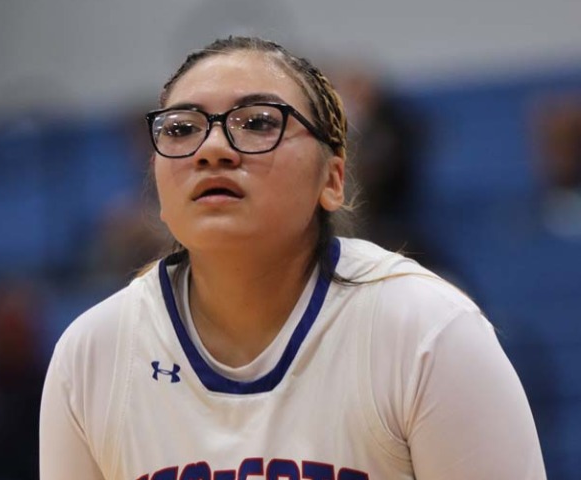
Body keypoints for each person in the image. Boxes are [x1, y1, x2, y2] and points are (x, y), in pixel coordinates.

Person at [40, 36, 547, 480]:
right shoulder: (92, 355)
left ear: (332, 179)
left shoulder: (427, 330)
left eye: (258, 122)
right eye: (180, 129)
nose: (212, 148)